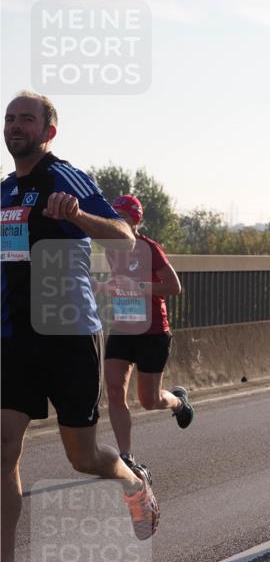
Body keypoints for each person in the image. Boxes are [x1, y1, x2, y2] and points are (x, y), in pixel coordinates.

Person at [1, 92, 159, 562]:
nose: (15, 125)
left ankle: (132, 482)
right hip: (14, 339)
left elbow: (123, 236)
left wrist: (80, 217)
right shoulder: (4, 193)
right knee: (3, 448)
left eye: (27, 118)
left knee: (83, 456)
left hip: (68, 335)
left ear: (48, 131)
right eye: (9, 118)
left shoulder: (64, 178)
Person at [95, 194, 194, 478]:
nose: (118, 225)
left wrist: (136, 285)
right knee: (114, 390)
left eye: (122, 219)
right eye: (114, 219)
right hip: (123, 328)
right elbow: (118, 285)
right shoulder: (112, 250)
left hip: (152, 332)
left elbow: (174, 287)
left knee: (149, 400)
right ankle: (126, 456)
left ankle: (178, 402)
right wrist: (102, 286)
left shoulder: (150, 249)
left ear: (135, 220)